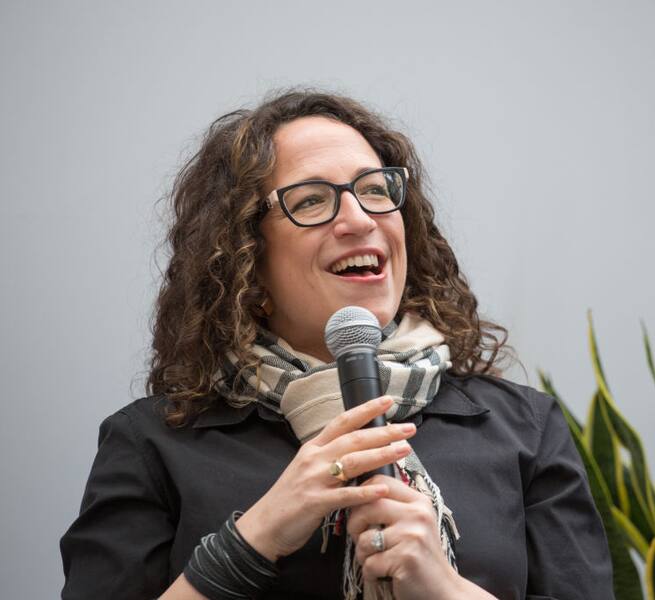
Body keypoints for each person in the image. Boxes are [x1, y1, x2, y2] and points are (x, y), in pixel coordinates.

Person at [60, 89, 615, 600]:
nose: (358, 218)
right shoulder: (153, 446)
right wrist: (255, 537)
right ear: (243, 258)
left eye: (375, 190)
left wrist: (444, 588)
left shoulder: (523, 428)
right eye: (312, 200)